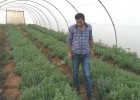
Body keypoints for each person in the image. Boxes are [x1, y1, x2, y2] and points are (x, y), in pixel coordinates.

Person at [67, 13, 95, 100]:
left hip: (85, 54)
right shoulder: (72, 28)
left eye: (80, 22)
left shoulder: (89, 27)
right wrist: (69, 52)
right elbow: (69, 41)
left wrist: (91, 49)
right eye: (77, 22)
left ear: (84, 20)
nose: (78, 24)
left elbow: (90, 38)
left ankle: (89, 95)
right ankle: (77, 91)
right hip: (75, 54)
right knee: (75, 73)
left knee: (86, 74)